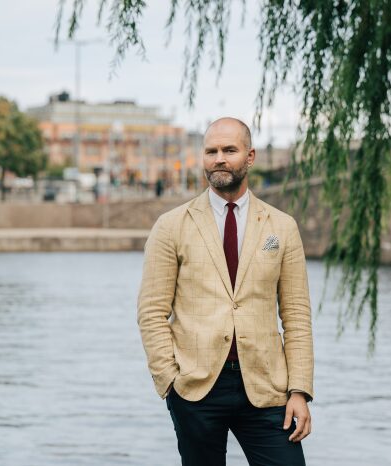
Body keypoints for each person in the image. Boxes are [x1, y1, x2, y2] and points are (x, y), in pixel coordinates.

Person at [137, 117, 314, 466]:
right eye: (211, 151)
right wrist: (170, 382)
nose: (219, 158)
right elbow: (151, 312)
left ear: (250, 157)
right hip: (195, 388)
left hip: (267, 388)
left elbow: (296, 314)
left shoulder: (282, 226)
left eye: (229, 150)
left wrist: (299, 390)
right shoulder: (171, 226)